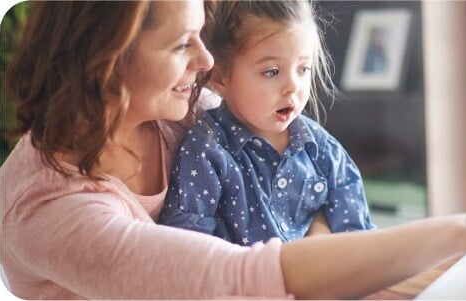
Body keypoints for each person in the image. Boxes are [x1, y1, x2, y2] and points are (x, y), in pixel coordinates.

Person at [0, 0, 466, 299]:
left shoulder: (174, 109)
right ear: (110, 59)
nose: (210, 64)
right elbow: (231, 277)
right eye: (184, 45)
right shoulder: (51, 210)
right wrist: (464, 228)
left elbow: (294, 185)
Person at [157, 0, 375, 246]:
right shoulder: (206, 150)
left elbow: (359, 242)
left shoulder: (323, 150)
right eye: (272, 72)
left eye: (303, 69)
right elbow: (188, 248)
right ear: (219, 77)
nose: (293, 86)